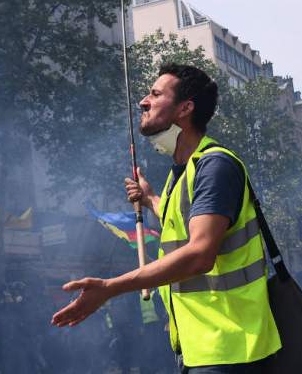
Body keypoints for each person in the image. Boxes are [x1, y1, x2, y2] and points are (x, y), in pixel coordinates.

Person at [52, 63, 281, 372]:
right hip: (202, 349)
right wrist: (151, 201)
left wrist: (110, 287)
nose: (144, 101)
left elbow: (200, 254)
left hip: (232, 349)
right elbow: (184, 224)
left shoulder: (214, 166)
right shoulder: (183, 174)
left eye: (155, 94)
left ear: (185, 108)